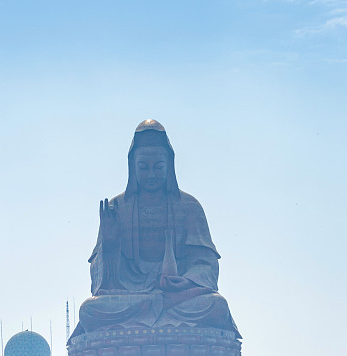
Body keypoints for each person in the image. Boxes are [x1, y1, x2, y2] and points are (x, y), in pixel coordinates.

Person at [70, 119, 240, 339]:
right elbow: (101, 280)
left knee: (216, 306)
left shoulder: (188, 206)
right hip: (132, 294)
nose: (151, 174)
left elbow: (206, 263)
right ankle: (161, 320)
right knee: (90, 311)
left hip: (177, 296)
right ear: (132, 167)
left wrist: (186, 280)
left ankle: (150, 319)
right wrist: (110, 246)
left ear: (169, 166)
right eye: (144, 167)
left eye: (158, 167)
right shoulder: (117, 208)